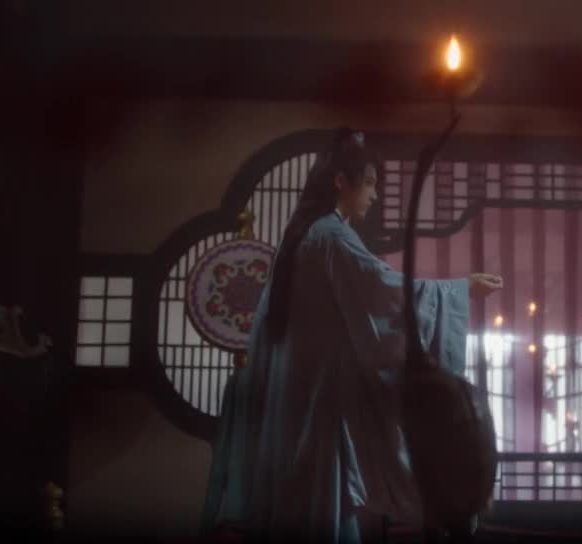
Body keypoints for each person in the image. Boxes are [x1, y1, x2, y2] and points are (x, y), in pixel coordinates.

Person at [201, 128, 503, 542]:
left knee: (310, 495)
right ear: (341, 182)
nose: (374, 195)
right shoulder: (329, 236)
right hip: (317, 393)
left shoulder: (309, 233)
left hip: (302, 390)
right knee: (318, 500)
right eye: (370, 183)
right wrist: (459, 289)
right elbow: (381, 289)